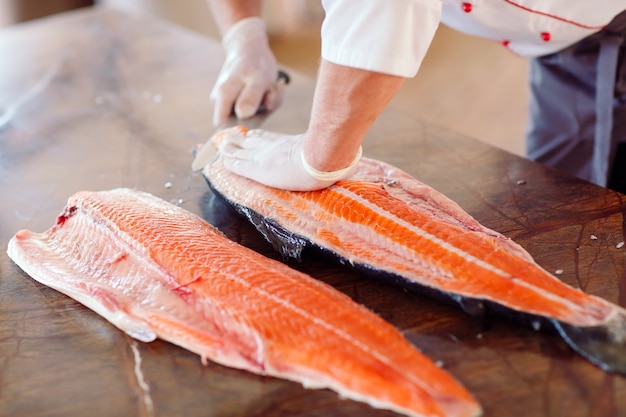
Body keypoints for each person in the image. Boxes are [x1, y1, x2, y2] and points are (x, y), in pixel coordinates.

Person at [206, 1, 626, 193]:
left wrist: (313, 159)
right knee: (550, 191)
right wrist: (243, 33)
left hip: (605, 25)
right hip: (551, 42)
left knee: (586, 209)